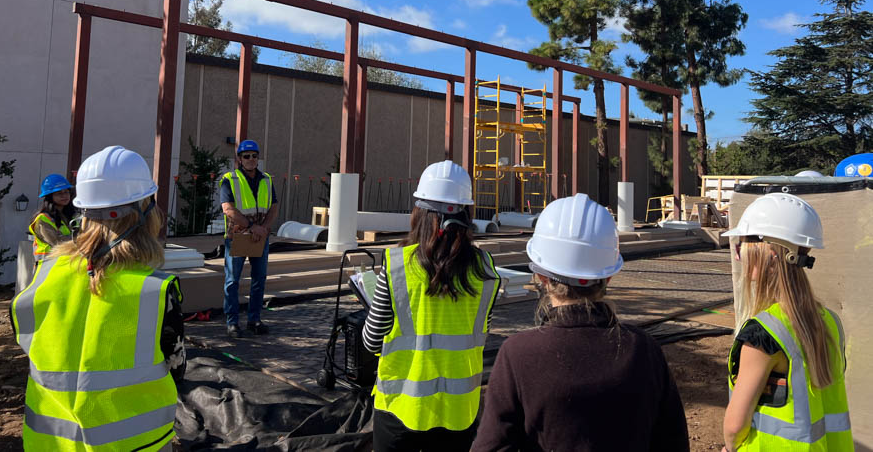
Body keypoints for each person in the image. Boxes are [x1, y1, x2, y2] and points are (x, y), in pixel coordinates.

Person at [472, 193, 689, 452]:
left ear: (541, 276)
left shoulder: (518, 355)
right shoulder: (644, 351)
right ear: (608, 277)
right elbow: (673, 443)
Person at [11, 145, 185, 451]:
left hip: (50, 443)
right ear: (146, 211)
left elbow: (25, 338)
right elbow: (177, 367)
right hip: (134, 443)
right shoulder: (155, 290)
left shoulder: (43, 277)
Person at [362, 160, 500, 452]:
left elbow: (372, 341)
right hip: (459, 411)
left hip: (401, 409)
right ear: (467, 214)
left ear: (420, 214)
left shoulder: (397, 265)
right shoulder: (486, 269)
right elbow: (481, 333)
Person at [720, 193, 852, 450]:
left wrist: (729, 447)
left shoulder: (763, 334)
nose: (737, 256)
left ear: (769, 253)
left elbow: (735, 426)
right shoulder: (829, 321)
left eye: (740, 247)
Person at [219, 139, 278, 338]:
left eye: (254, 156)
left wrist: (264, 228)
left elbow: (274, 207)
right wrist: (253, 227)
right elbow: (228, 209)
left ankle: (254, 320)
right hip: (237, 237)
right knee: (232, 281)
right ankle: (232, 323)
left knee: (259, 279)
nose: (251, 159)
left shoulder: (266, 179)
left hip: (259, 237)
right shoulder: (229, 179)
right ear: (239, 159)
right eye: (247, 156)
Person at [29, 173, 75, 263]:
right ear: (50, 197)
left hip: (67, 264)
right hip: (48, 267)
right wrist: (82, 239)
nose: (64, 196)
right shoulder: (43, 219)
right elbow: (57, 242)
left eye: (66, 192)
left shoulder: (71, 216)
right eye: (59, 193)